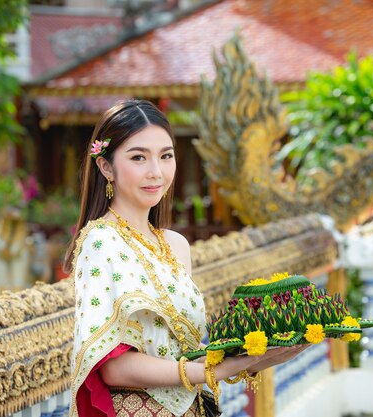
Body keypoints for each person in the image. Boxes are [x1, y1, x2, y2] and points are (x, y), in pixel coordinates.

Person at [64, 99, 304, 417]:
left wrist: (255, 358)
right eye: (138, 157)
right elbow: (114, 368)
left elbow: (184, 355)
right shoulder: (100, 242)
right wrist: (214, 371)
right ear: (106, 166)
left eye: (166, 156)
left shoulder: (176, 245)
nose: (156, 172)